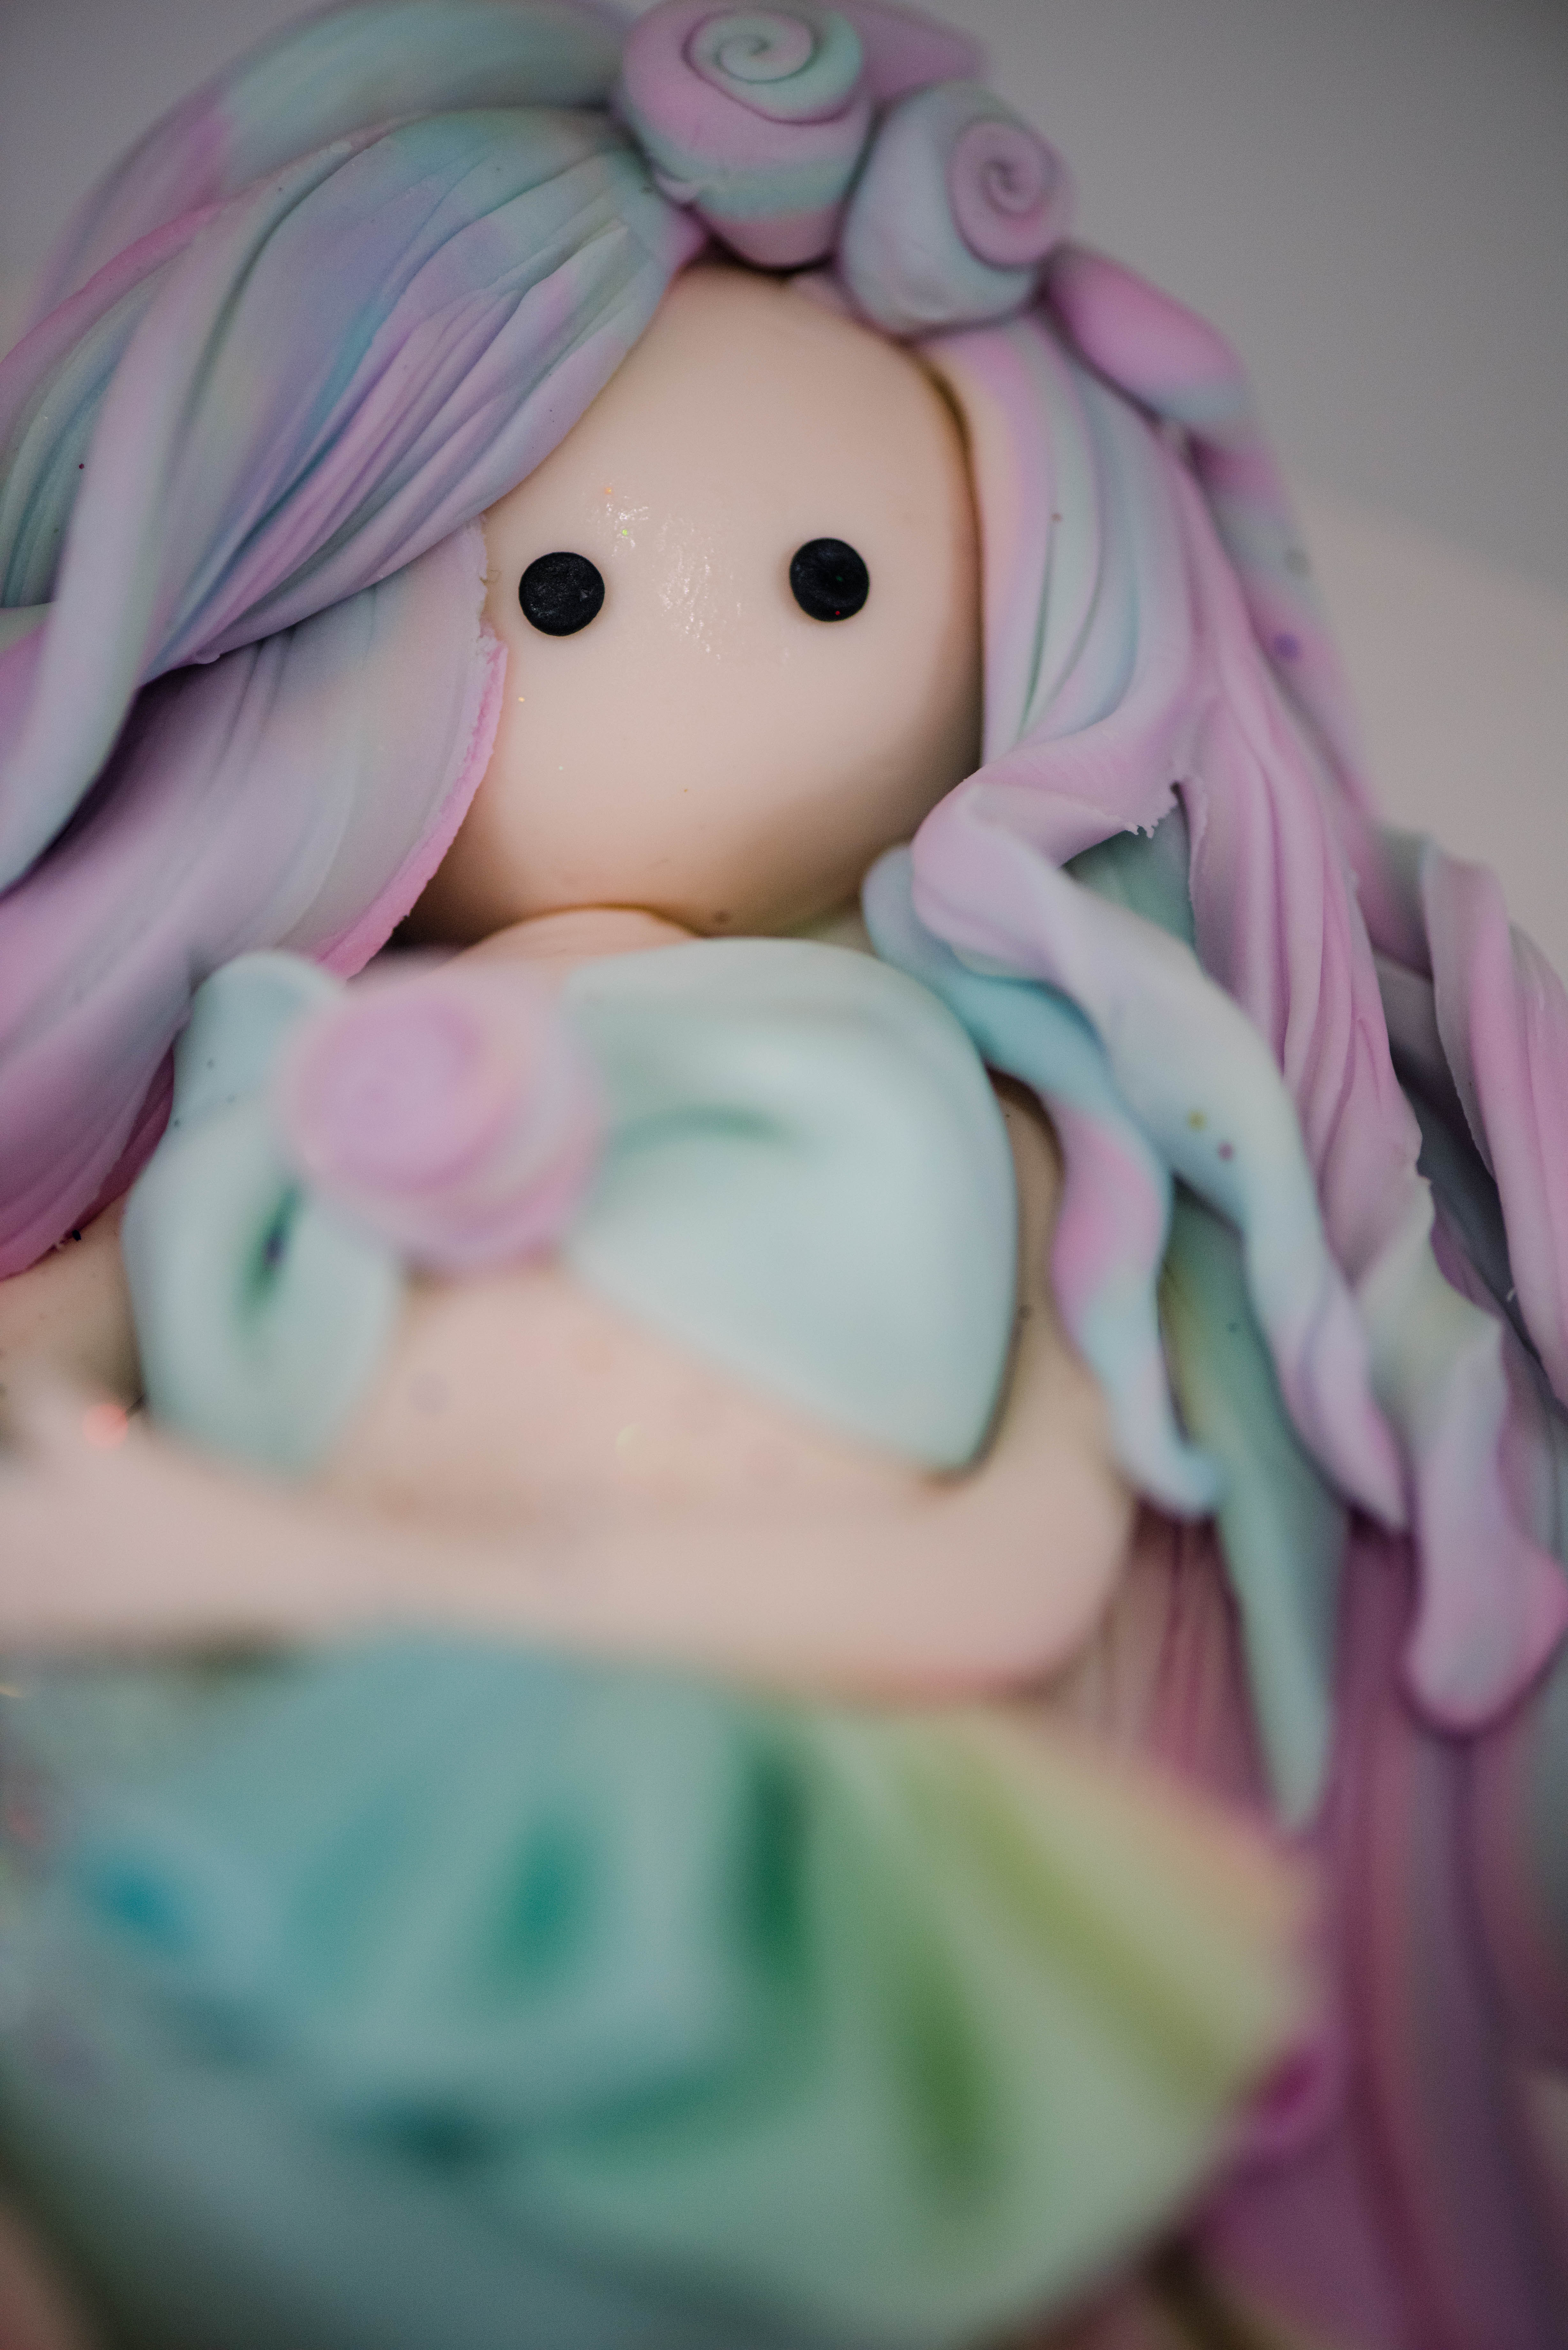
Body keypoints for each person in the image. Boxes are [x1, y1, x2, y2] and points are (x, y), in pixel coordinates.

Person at [0, 3, 1565, 2345]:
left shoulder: (1013, 1109)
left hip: (722, 1876)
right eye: (553, 588)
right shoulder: (256, 1053)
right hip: (246, 1783)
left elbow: (1011, 1566)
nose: (680, 662)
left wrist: (280, 1555)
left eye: (837, 581)